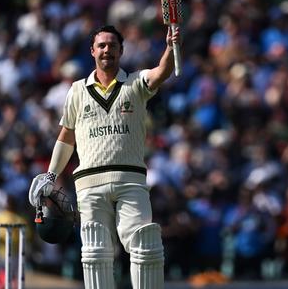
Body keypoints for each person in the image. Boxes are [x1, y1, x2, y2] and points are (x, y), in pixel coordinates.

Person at [28, 24, 180, 289]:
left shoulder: (135, 83)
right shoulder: (76, 90)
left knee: (145, 246)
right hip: (89, 185)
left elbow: (161, 72)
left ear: (121, 51)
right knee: (95, 252)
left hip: (130, 181)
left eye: (112, 45)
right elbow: (66, 137)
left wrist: (170, 46)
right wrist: (51, 175)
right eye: (102, 45)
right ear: (92, 51)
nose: (106, 50)